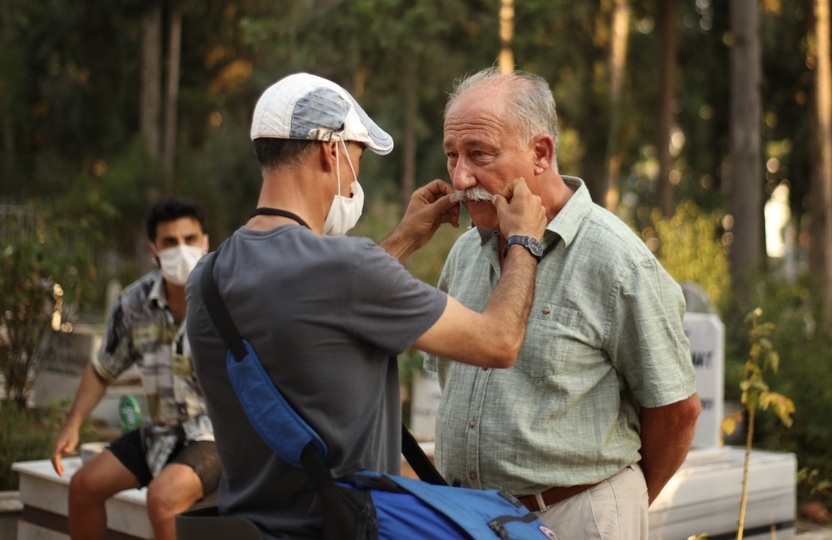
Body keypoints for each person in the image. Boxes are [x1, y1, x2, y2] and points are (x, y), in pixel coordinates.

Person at [184, 72, 546, 539]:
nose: (356, 177)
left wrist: (402, 239)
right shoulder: (347, 267)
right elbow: (499, 342)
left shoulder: (207, 278)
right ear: (329, 151)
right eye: (356, 159)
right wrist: (523, 241)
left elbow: (318, 308)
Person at [427, 67, 702, 540]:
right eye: (452, 155)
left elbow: (677, 410)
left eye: (479, 154)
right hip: (469, 519)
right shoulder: (465, 251)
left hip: (576, 518)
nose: (460, 176)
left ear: (541, 153)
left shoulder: (616, 260)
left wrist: (620, 502)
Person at [51, 196, 221, 540]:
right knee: (83, 487)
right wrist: (73, 424)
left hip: (216, 436)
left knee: (162, 498)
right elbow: (104, 368)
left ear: (205, 241)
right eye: (169, 242)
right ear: (153, 250)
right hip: (159, 431)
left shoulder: (226, 297)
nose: (181, 250)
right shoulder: (134, 303)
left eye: (190, 240)